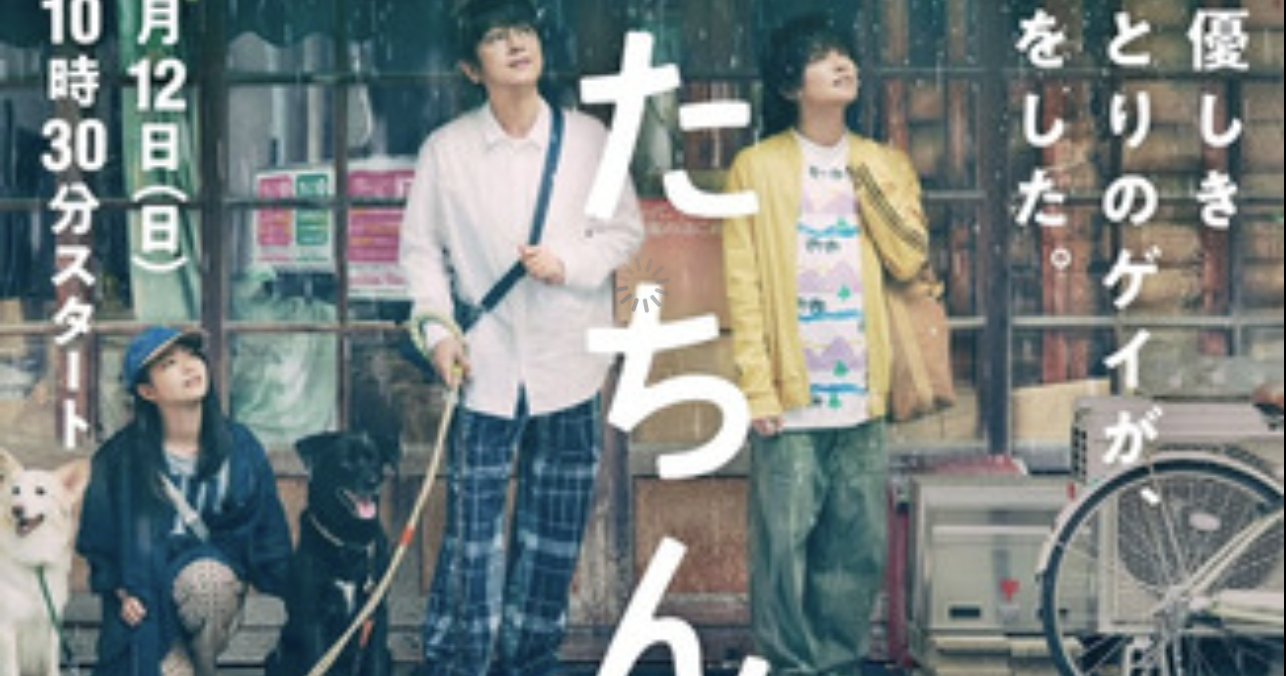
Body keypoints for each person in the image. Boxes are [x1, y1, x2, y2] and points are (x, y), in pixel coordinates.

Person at [397, 1, 643, 676]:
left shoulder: (587, 139)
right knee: (472, 534)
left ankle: (532, 658)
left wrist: (569, 262)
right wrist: (438, 333)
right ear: (470, 68)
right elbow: (420, 252)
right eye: (497, 38)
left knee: (554, 529)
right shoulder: (447, 150)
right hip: (484, 363)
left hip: (570, 357)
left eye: (525, 32)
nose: (516, 46)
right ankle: (459, 662)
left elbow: (624, 230)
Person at [721, 14, 930, 676]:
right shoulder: (755, 168)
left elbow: (909, 256)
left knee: (854, 546)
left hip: (861, 390)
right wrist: (756, 385)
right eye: (822, 57)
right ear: (790, 84)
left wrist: (862, 182)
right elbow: (744, 285)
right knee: (781, 547)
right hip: (790, 391)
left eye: (845, 55)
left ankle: (838, 665)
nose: (842, 65)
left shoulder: (882, 163)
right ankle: (788, 667)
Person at [77, 326, 293, 676]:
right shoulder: (119, 459)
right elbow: (98, 538)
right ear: (147, 391)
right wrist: (119, 591)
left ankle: (190, 665)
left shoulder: (240, 448)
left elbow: (270, 535)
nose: (189, 367)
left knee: (207, 581)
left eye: (192, 355)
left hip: (213, 591)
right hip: (145, 594)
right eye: (169, 364)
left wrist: (300, 593)